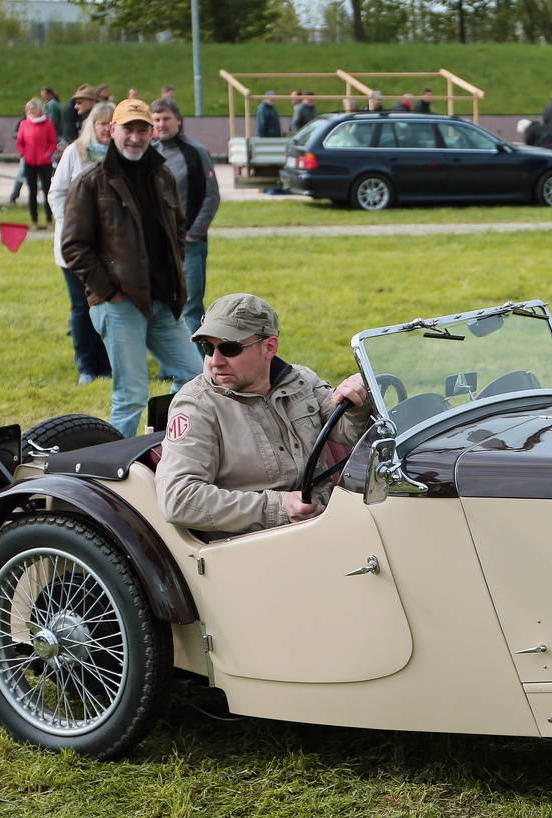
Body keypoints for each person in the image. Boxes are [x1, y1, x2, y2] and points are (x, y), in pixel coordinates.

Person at [155, 293, 373, 537]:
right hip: (250, 543)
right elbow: (178, 499)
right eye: (207, 347)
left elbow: (350, 433)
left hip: (323, 522)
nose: (215, 361)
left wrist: (357, 400)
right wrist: (278, 508)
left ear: (269, 347)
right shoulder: (196, 405)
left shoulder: (299, 381)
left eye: (229, 348)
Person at [61, 98, 203, 437]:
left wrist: (173, 275)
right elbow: (73, 247)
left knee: (196, 377)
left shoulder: (162, 176)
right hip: (118, 305)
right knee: (131, 396)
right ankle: (116, 474)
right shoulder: (91, 182)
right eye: (128, 129)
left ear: (151, 133)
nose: (135, 137)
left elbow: (177, 231)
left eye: (142, 129)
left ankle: (168, 443)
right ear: (112, 130)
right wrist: (111, 292)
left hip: (162, 302)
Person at [51, 102, 115, 384]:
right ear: (92, 125)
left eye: (112, 124)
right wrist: (72, 227)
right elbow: (57, 193)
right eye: (102, 123)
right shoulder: (74, 153)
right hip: (75, 246)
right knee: (81, 306)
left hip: (109, 248)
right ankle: (87, 367)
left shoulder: (123, 155)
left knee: (106, 306)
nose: (107, 129)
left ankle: (106, 365)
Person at [151, 97, 220, 345]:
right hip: (157, 247)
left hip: (189, 245)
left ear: (178, 121)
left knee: (190, 307)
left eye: (166, 118)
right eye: (156, 119)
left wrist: (193, 233)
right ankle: (172, 364)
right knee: (161, 305)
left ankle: (198, 368)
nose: (161, 124)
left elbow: (212, 196)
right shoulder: (150, 152)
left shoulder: (195, 152)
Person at [15, 97, 57, 229]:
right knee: (32, 190)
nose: (30, 112)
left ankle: (49, 220)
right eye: (28, 109)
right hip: (29, 162)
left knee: (47, 190)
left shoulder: (47, 123)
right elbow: (20, 141)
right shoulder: (24, 124)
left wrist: (48, 154)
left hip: (44, 162)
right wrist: (23, 153)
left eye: (33, 109)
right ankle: (34, 220)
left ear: (39, 109)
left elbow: (53, 142)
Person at [64, 85, 97, 150]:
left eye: (79, 103)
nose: (75, 107)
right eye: (75, 103)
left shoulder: (95, 121)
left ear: (90, 103)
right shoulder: (84, 119)